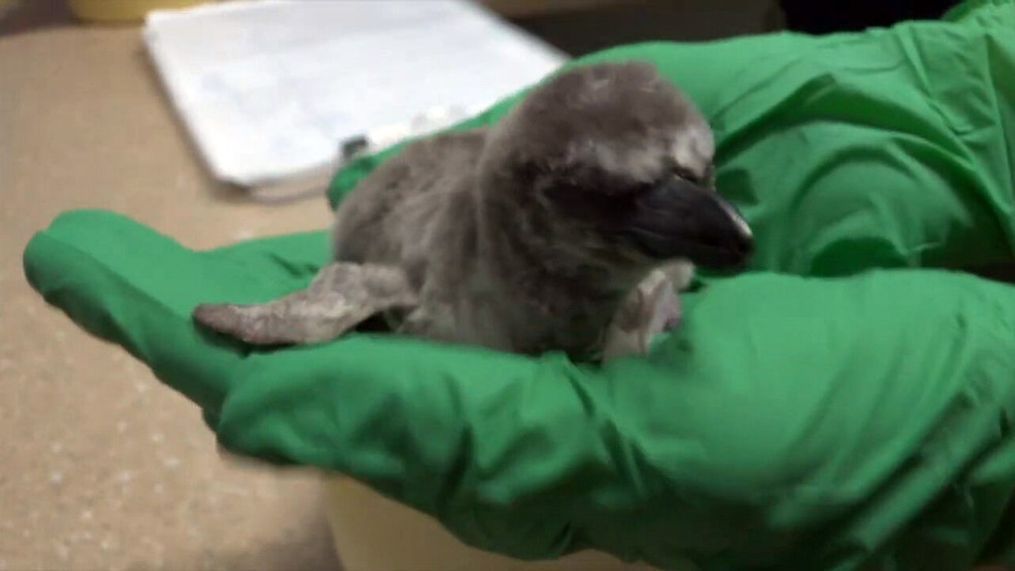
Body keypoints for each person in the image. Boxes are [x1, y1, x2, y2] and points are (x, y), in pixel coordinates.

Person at [23, 0, 1015, 568]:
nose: (702, 222)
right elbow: (384, 274)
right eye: (617, 199)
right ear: (540, 199)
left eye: (699, 181)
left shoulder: (643, 261)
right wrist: (974, 86)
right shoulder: (446, 266)